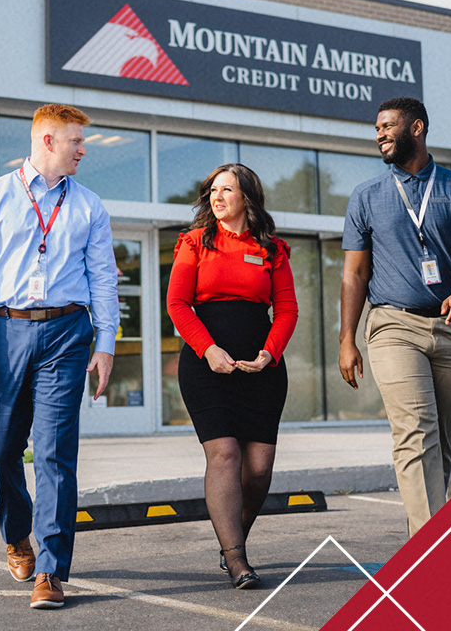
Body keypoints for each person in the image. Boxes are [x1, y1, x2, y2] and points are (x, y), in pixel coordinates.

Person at [0, 103, 118, 609]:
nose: (83, 150)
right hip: (3, 331)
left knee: (54, 453)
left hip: (68, 333)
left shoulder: (89, 205)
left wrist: (105, 341)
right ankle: (17, 536)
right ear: (47, 141)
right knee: (1, 451)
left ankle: (50, 568)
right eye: (76, 142)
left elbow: (104, 278)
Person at [338, 97, 451, 536]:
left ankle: (422, 537)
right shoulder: (366, 195)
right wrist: (348, 338)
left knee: (440, 440)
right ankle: (431, 551)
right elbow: (354, 272)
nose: (380, 134)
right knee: (415, 431)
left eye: (388, 126)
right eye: (377, 129)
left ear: (417, 127)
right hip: (392, 325)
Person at [166, 163, 298, 589]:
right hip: (207, 366)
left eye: (227, 190)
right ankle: (237, 558)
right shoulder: (194, 242)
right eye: (212, 190)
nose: (217, 197)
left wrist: (269, 353)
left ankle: (232, 537)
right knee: (224, 454)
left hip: (260, 368)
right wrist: (208, 350)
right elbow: (177, 305)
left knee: (258, 469)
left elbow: (288, 309)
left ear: (247, 198)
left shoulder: (271, 249)